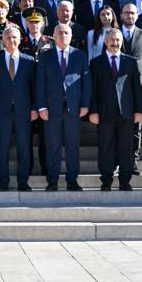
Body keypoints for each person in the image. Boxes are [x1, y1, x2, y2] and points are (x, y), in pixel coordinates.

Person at [36, 24, 90, 191]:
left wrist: (85, 104)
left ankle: (72, 180)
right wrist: (41, 107)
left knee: (72, 145)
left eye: (66, 32)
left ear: (71, 35)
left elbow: (86, 82)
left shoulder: (80, 55)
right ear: (53, 35)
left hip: (73, 108)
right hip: (52, 109)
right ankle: (52, 180)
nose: (63, 35)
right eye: (59, 32)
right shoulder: (46, 56)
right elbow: (40, 83)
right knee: (52, 145)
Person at [88, 29, 142, 191]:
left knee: (126, 148)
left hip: (126, 112)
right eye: (111, 39)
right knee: (106, 147)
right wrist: (93, 111)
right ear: (105, 41)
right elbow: (93, 89)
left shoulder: (130, 61)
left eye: (118, 40)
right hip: (104, 113)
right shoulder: (96, 62)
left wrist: (138, 110)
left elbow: (136, 88)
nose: (115, 42)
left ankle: (125, 181)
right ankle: (106, 180)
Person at [0, 26, 38, 192]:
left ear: (20, 40)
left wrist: (34, 108)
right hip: (2, 111)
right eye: (8, 38)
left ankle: (23, 181)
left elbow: (34, 88)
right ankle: (3, 182)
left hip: (24, 111)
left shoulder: (29, 61)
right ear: (3, 40)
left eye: (15, 37)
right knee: (2, 148)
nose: (11, 40)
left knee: (24, 147)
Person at [120, 4, 142, 170]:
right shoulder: (115, 35)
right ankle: (118, 160)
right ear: (121, 15)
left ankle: (133, 161)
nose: (129, 16)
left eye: (132, 13)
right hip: (118, 87)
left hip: (138, 86)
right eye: (126, 13)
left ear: (137, 15)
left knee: (137, 126)